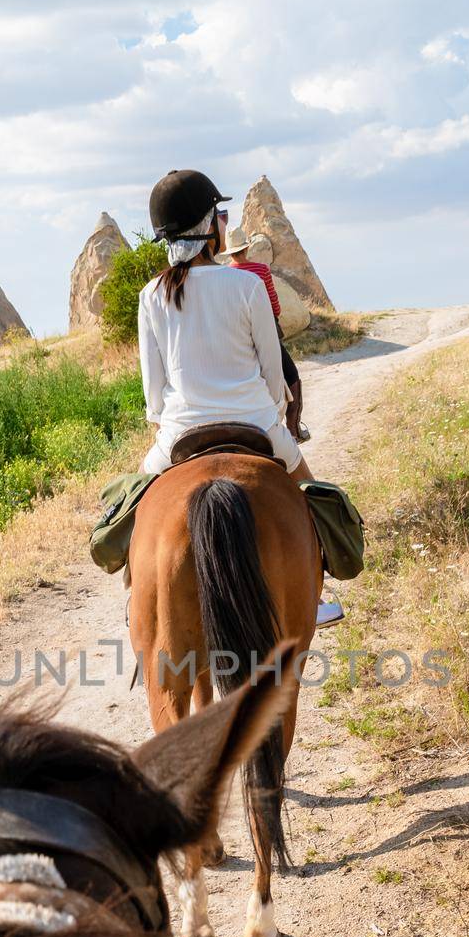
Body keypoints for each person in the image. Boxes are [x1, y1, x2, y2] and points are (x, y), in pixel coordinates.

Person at [137, 168, 342, 625]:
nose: (225, 222)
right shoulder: (247, 285)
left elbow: (153, 395)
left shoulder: (151, 295)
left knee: (128, 517)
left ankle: (137, 605)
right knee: (314, 504)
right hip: (257, 424)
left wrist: (169, 421)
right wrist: (270, 410)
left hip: (179, 435)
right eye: (221, 214)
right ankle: (318, 595)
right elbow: (274, 377)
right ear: (210, 224)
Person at [219, 226, 309, 441]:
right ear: (246, 248)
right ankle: (294, 429)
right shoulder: (260, 270)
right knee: (292, 376)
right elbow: (274, 306)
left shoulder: (225, 274)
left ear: (230, 252)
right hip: (265, 331)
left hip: (236, 335)